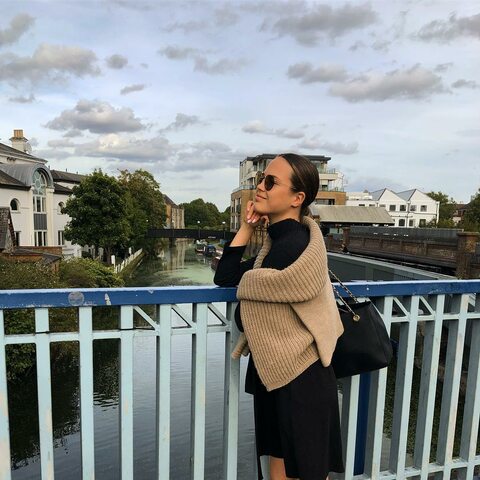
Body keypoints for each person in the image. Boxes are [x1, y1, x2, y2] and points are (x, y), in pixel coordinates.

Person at [214, 153, 345, 480]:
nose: (261, 186)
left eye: (271, 181)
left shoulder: (291, 247)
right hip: (283, 374)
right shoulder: (278, 244)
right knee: (283, 469)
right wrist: (247, 226)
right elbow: (226, 277)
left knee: (298, 472)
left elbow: (245, 306)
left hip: (299, 380)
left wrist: (248, 298)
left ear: (297, 198)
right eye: (261, 179)